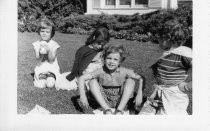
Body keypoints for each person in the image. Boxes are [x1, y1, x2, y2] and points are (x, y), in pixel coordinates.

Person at [139, 19, 192, 115]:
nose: (156, 38)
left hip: (174, 93)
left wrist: (187, 86)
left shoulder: (184, 53)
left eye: (159, 36)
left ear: (167, 38)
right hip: (158, 91)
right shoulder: (163, 53)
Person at [78, 45, 143, 115]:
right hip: (104, 100)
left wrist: (139, 93)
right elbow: (82, 78)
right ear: (104, 59)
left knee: (130, 81)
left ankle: (119, 110)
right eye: (109, 58)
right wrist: (82, 95)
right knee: (92, 81)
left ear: (120, 61)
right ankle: (107, 110)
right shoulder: (100, 71)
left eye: (115, 59)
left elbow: (141, 78)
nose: (111, 62)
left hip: (119, 100)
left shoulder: (124, 71)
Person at [32, 18, 60, 88]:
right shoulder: (36, 44)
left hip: (52, 69)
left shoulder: (54, 44)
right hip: (41, 69)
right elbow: (38, 59)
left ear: (51, 33)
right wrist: (40, 52)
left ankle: (50, 78)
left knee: (50, 84)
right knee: (41, 85)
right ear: (39, 32)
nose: (44, 34)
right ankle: (42, 79)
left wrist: (49, 50)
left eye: (47, 32)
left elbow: (51, 60)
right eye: (42, 31)